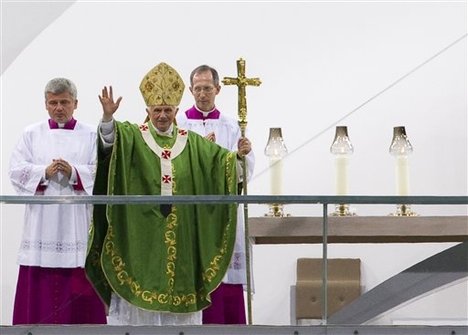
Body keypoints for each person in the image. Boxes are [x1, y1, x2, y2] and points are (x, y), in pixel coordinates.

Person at [85, 62, 252, 326]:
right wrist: (107, 119)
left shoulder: (192, 142)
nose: (162, 115)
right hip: (141, 237)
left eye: (167, 110)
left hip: (182, 235)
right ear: (147, 110)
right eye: (156, 110)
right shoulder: (133, 136)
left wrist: (239, 157)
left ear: (176, 110)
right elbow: (109, 144)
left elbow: (222, 166)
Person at [9, 78, 106, 325]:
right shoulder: (31, 134)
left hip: (76, 223)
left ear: (76, 103)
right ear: (46, 104)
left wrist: (74, 172)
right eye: (53, 102)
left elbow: (102, 172)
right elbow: (15, 170)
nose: (59, 107)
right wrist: (43, 172)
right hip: (42, 222)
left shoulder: (90, 134)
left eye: (64, 102)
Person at [177, 64, 255, 324]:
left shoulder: (232, 126)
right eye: (197, 88)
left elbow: (244, 173)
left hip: (223, 213)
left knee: (226, 277)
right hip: (192, 213)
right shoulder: (180, 124)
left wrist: (240, 157)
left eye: (207, 88)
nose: (202, 94)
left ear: (218, 89)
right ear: (190, 90)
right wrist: (203, 154)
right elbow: (174, 167)